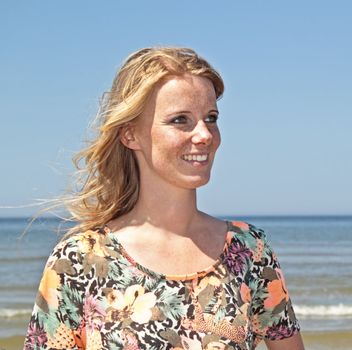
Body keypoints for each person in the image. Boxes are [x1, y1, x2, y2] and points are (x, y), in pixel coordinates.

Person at [24, 47, 304, 350]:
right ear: (130, 135)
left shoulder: (249, 250)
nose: (205, 135)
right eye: (180, 120)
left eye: (210, 118)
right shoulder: (79, 260)